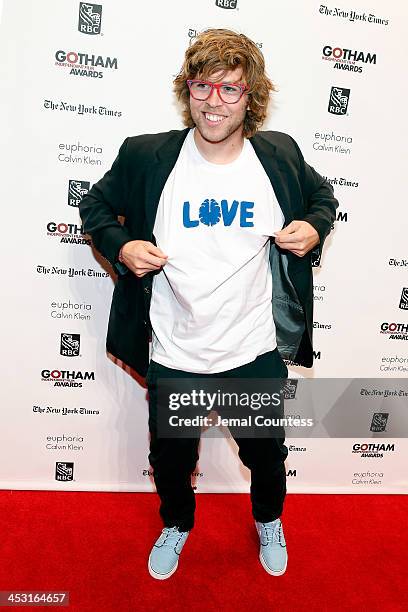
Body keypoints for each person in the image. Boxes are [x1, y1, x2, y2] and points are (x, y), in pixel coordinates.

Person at [79, 28, 338, 580]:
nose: (213, 102)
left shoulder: (279, 156)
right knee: (172, 464)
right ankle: (176, 524)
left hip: (251, 350)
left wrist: (313, 228)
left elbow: (323, 198)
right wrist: (121, 245)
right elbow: (95, 204)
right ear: (187, 90)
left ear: (252, 97)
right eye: (202, 86)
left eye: (229, 90)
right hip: (176, 351)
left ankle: (268, 518)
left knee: (266, 457)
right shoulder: (147, 156)